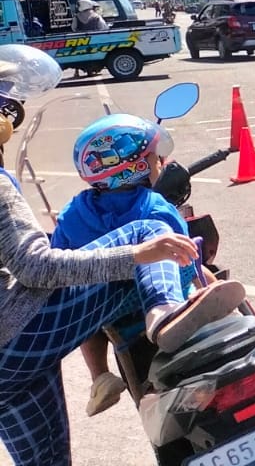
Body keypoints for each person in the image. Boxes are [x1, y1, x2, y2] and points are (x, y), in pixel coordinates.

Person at [0, 44, 245, 466]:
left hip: (12, 368)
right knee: (149, 236)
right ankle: (164, 313)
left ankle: (101, 376)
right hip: (16, 335)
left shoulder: (79, 208)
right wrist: (134, 255)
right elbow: (34, 266)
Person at [53, 114, 196, 417]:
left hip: (108, 312)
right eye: (156, 159)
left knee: (81, 299)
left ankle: (100, 376)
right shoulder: (152, 205)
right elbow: (178, 245)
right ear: (138, 166)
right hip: (154, 302)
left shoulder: (72, 214)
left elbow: (61, 263)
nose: (161, 164)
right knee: (194, 261)